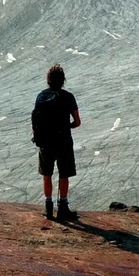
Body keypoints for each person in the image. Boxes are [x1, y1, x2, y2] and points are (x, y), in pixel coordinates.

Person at [30, 64, 82, 221]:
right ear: (63, 80)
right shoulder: (68, 97)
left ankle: (48, 207)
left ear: (48, 80)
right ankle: (63, 207)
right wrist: (67, 126)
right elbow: (77, 121)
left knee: (47, 174)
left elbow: (36, 120)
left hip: (45, 142)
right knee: (64, 174)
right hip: (63, 140)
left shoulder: (41, 96)